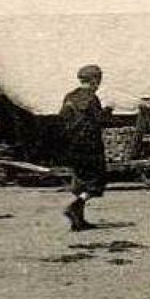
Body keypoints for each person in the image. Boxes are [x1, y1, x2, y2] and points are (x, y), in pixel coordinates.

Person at [58, 65, 109, 232]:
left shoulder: (70, 97)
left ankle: (78, 221)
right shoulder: (92, 98)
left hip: (72, 147)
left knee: (80, 182)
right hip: (90, 148)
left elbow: (63, 120)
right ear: (95, 80)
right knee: (96, 182)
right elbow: (99, 121)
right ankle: (74, 207)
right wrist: (108, 111)